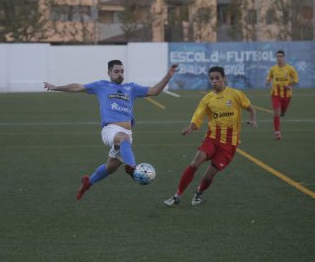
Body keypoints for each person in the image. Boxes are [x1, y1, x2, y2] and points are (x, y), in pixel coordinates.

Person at [44, 60, 178, 200]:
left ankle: (88, 182)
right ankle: (132, 168)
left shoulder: (131, 88)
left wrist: (168, 76)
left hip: (127, 134)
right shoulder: (101, 85)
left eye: (122, 71)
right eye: (116, 71)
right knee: (124, 140)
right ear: (109, 73)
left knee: (110, 168)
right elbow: (76, 87)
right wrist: (55, 87)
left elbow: (154, 91)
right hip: (111, 129)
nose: (120, 74)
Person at [164, 66, 257, 207]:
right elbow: (197, 118)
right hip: (212, 138)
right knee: (195, 163)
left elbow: (250, 108)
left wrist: (253, 118)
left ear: (224, 78)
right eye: (212, 78)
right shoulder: (207, 99)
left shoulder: (236, 94)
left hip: (229, 144)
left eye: (217, 78)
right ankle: (177, 195)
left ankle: (199, 192)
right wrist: (190, 127)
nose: (214, 81)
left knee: (209, 175)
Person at [266, 50, 299, 140]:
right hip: (275, 94)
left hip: (287, 95)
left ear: (284, 57)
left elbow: (296, 79)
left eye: (281, 56)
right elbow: (269, 77)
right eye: (278, 56)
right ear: (276, 58)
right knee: (277, 112)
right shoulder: (273, 69)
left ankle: (282, 112)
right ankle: (277, 132)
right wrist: (268, 81)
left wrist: (290, 85)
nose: (279, 58)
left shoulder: (290, 69)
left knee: (282, 113)